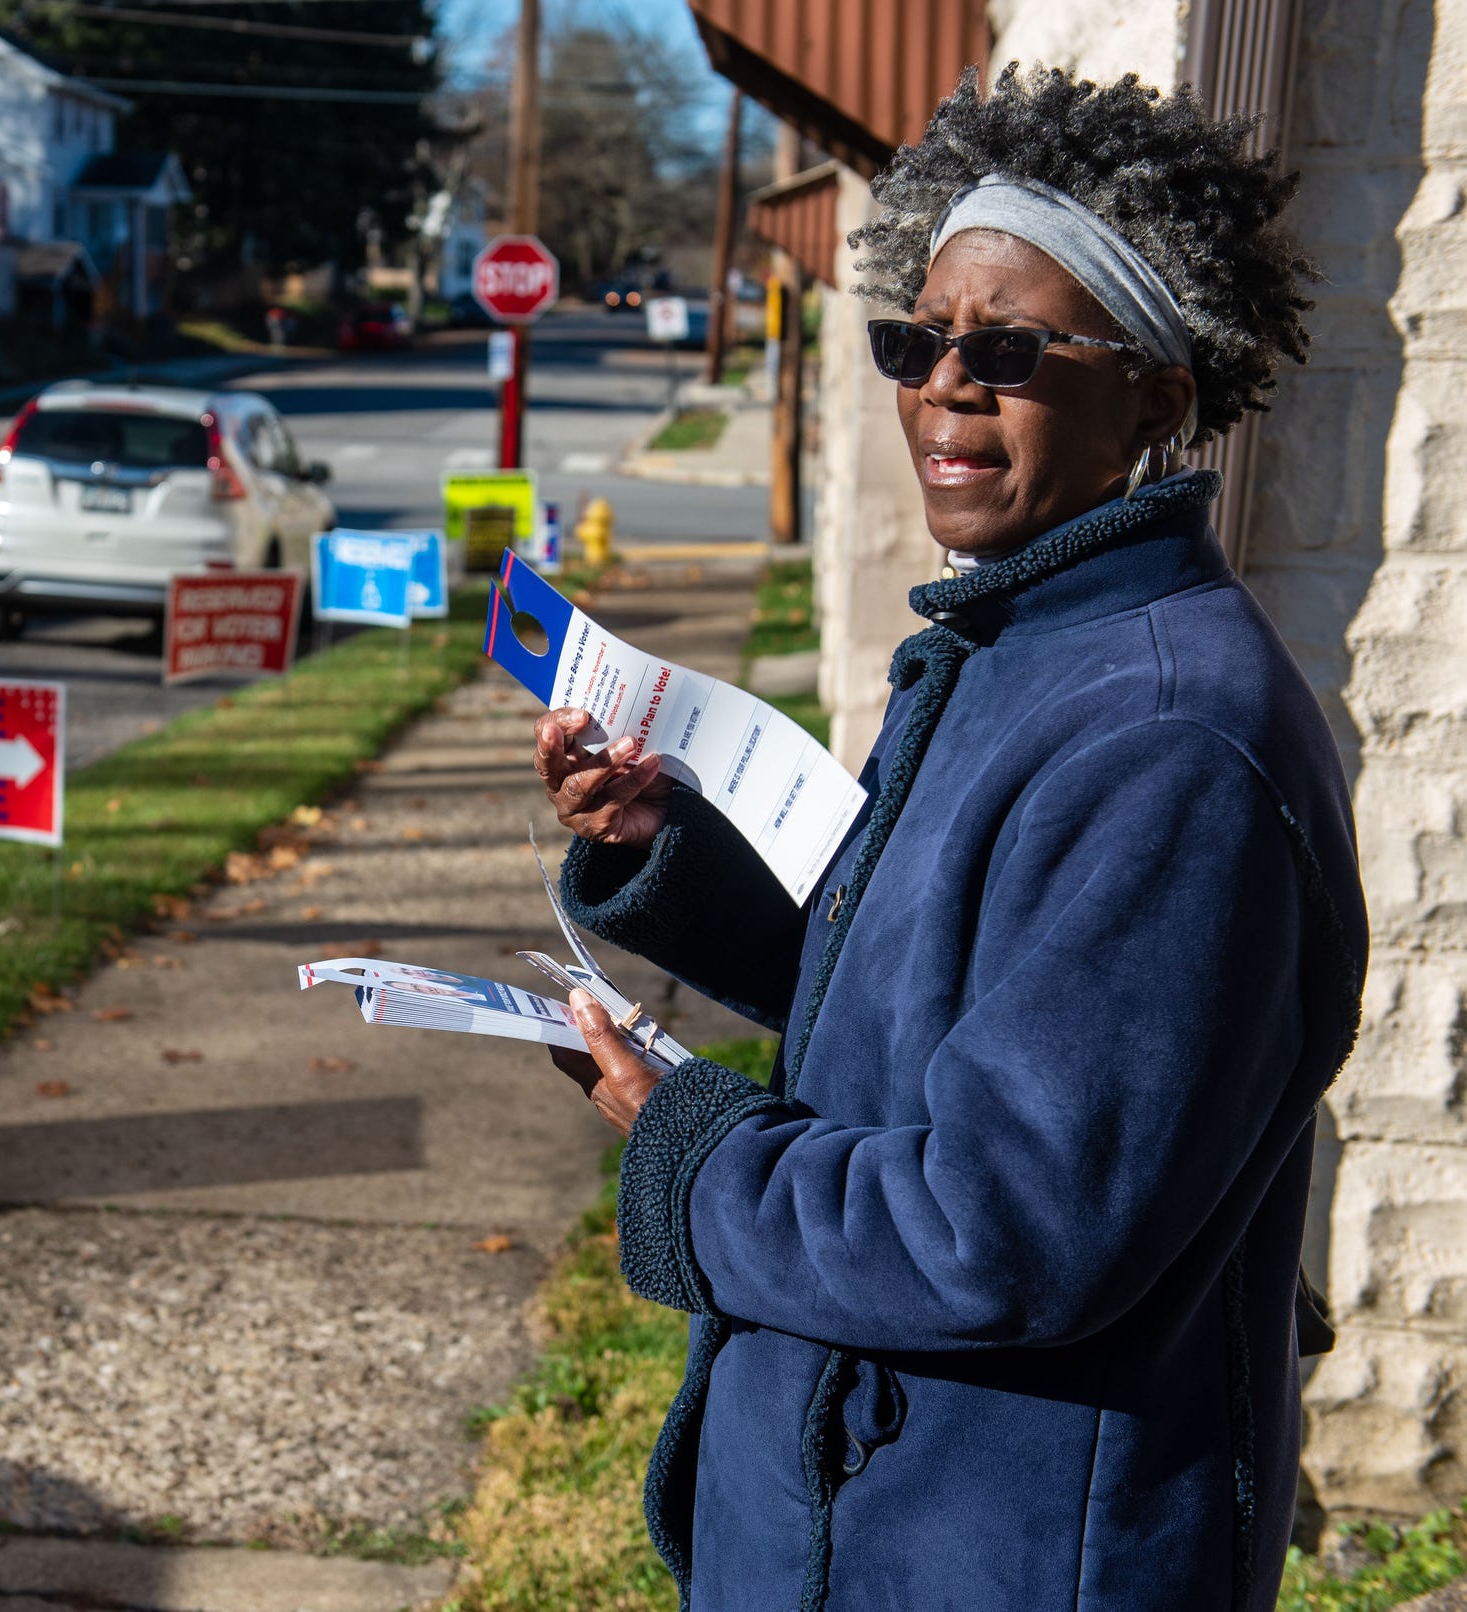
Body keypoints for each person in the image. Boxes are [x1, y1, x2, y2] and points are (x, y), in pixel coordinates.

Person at [535, 66, 1363, 1612]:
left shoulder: (1168, 740)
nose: (945, 389)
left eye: (1010, 350)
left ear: (1158, 396)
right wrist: (673, 852)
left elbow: (1003, 1232)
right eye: (916, 343)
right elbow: (922, 998)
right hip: (885, 1510)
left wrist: (692, 1147)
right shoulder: (1013, 653)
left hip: (1010, 1545)